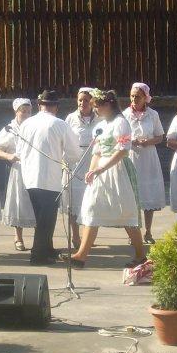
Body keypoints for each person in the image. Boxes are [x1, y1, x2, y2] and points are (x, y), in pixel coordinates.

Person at [62, 89, 146, 268]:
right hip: (100, 173)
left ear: (108, 105)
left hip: (118, 171)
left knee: (126, 213)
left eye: (97, 106)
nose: (95, 109)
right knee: (92, 209)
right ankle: (80, 256)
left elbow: (123, 151)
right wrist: (91, 171)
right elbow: (97, 152)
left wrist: (101, 169)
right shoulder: (101, 125)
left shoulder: (121, 123)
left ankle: (141, 255)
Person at [17, 90, 81, 265]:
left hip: (30, 177)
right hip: (49, 178)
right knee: (46, 219)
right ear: (56, 107)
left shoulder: (27, 123)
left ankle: (47, 249)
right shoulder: (60, 124)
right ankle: (38, 256)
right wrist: (65, 158)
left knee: (42, 216)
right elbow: (74, 153)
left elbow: (19, 151)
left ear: (39, 105)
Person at [123, 82, 166, 243]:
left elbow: (160, 136)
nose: (134, 99)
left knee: (148, 194)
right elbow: (119, 137)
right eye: (132, 96)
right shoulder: (124, 115)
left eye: (138, 96)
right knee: (131, 196)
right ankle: (133, 234)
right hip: (131, 156)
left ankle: (148, 232)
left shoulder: (153, 114)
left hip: (148, 158)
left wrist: (148, 142)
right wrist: (132, 141)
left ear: (145, 98)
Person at [0, 98, 36, 251]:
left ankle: (39, 239)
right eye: (23, 111)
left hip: (35, 168)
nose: (26, 114)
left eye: (29, 111)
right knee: (19, 202)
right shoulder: (9, 129)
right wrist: (9, 156)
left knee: (37, 201)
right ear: (16, 112)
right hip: (19, 169)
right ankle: (18, 237)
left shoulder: (35, 126)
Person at [63, 87, 98, 250]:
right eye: (80, 100)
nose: (82, 103)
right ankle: (76, 236)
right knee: (74, 201)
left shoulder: (99, 118)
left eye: (86, 100)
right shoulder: (70, 118)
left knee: (91, 201)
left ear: (92, 102)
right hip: (75, 162)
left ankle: (87, 236)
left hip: (93, 161)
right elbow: (64, 140)